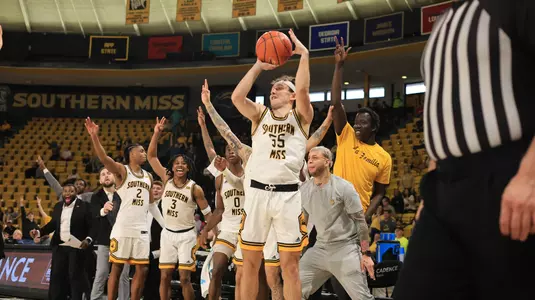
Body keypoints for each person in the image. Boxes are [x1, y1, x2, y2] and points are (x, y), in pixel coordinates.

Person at [393, 1, 535, 300]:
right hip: (444, 187)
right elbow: (444, 111)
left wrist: (530, 175)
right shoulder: (447, 20)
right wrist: (432, 189)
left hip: (508, 175)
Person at [201, 78, 331, 300]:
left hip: (282, 207)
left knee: (276, 274)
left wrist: (327, 121)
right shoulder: (247, 153)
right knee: (249, 272)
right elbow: (226, 132)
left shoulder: (288, 144)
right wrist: (209, 106)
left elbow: (311, 140)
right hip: (257, 212)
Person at [230, 29, 313, 300]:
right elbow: (236, 99)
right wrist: (258, 65)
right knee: (251, 264)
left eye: (282, 88)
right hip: (257, 195)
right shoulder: (259, 114)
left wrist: (304, 56)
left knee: (290, 267)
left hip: (288, 196)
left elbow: (302, 88)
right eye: (273, 87)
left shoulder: (302, 116)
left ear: (291, 97)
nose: (274, 89)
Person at [85, 117, 165, 300]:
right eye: (141, 151)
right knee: (117, 268)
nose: (145, 153)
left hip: (141, 231)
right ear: (131, 154)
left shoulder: (148, 176)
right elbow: (104, 159)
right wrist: (94, 137)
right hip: (122, 228)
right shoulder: (122, 171)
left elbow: (152, 205)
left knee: (142, 269)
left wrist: (165, 225)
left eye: (145, 151)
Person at [147, 117, 212, 300]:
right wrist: (156, 133)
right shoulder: (166, 179)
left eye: (184, 163)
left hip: (187, 236)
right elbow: (151, 157)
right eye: (177, 163)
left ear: (188, 168)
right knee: (165, 277)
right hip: (167, 234)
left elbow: (208, 213)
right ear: (172, 167)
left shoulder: (195, 188)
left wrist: (207, 232)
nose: (180, 165)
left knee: (184, 278)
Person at [299, 146, 375, 300]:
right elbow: (303, 223)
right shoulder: (304, 190)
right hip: (320, 248)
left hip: (346, 248)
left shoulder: (344, 187)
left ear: (328, 162)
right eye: (308, 159)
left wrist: (366, 254)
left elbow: (361, 222)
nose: (310, 160)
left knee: (362, 298)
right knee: (292, 289)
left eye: (315, 157)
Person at [330, 37, 392, 219]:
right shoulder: (346, 134)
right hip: (331, 209)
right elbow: (336, 102)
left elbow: (380, 192)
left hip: (356, 215)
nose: (357, 125)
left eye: (362, 123)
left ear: (373, 128)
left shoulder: (384, 157)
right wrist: (339, 66)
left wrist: (366, 216)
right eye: (356, 121)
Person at [30, 184, 93, 300]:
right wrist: (39, 232)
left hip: (76, 247)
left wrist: (88, 239)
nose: (68, 193)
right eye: (65, 191)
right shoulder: (58, 206)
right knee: (56, 276)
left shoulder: (84, 206)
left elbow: (92, 226)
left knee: (74, 276)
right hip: (60, 247)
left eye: (71, 191)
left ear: (76, 193)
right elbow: (53, 224)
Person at [89, 168, 130, 300]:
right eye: (103, 174)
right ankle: (95, 298)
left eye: (108, 173)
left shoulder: (124, 192)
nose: (106, 176)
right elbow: (94, 214)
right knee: (101, 272)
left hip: (123, 240)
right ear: (100, 180)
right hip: (104, 240)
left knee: (123, 275)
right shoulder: (96, 196)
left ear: (114, 176)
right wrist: (103, 210)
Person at [143, 181, 164, 300]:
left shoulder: (165, 206)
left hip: (160, 248)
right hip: (144, 245)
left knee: (157, 278)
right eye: (153, 188)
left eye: (158, 188)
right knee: (144, 277)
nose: (155, 190)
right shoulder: (144, 206)